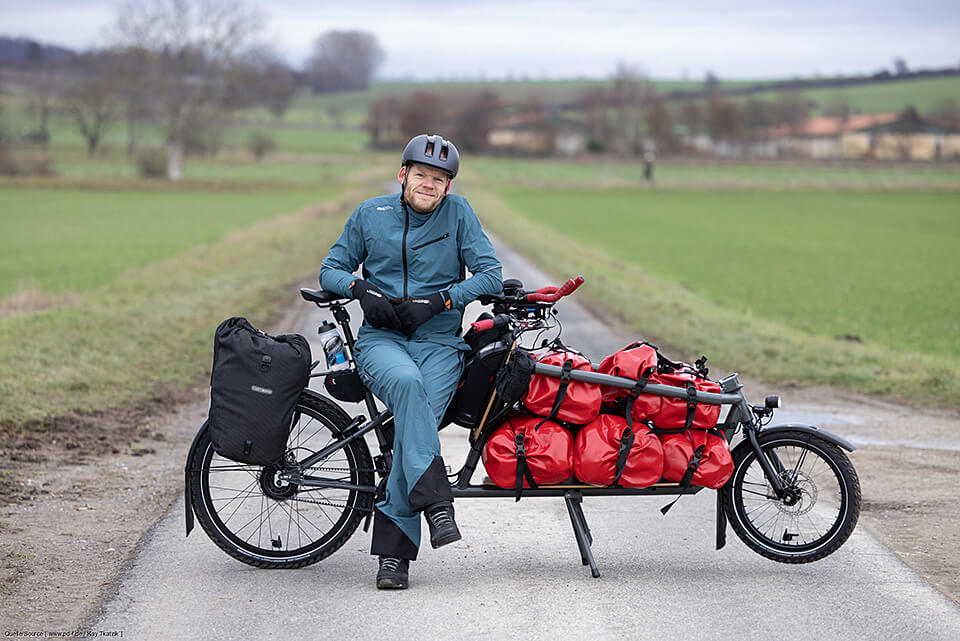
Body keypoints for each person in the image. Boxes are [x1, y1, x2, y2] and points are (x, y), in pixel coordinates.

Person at [318, 134, 503, 589]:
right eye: (421, 175)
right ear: (403, 175)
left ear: (448, 187)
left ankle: (393, 558)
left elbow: (490, 274)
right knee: (406, 385)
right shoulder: (369, 214)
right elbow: (330, 269)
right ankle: (437, 502)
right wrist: (361, 291)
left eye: (439, 180)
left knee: (409, 431)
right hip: (382, 342)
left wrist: (441, 300)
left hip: (440, 344)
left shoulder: (459, 215)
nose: (429, 185)